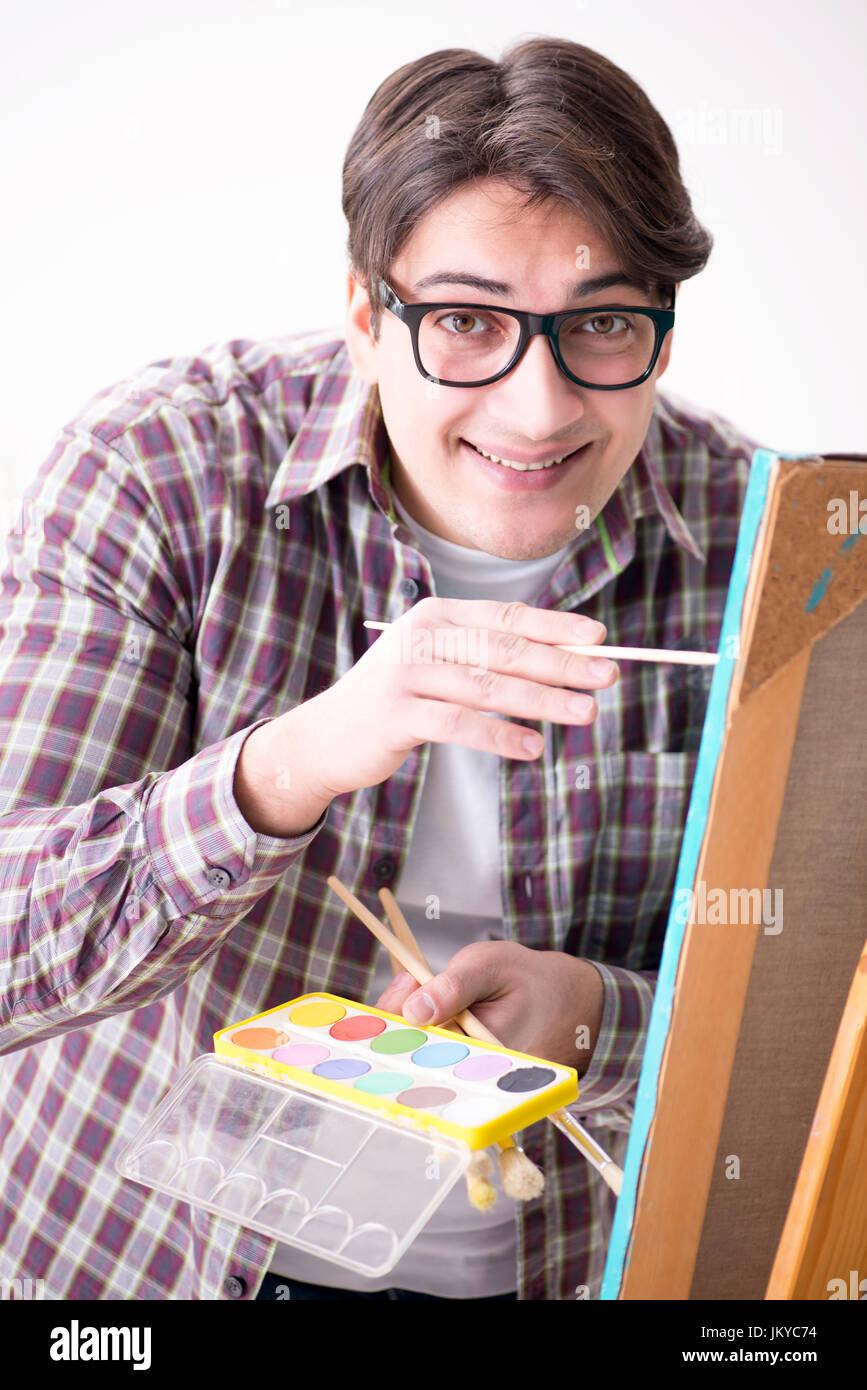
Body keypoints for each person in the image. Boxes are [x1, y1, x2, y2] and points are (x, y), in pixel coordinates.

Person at [0, 36, 766, 1301]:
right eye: (466, 321)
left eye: (604, 323)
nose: (539, 407)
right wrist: (289, 765)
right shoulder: (162, 470)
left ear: (664, 336)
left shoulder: (753, 543)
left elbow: (813, 991)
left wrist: (596, 1016)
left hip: (549, 1271)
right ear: (367, 313)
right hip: (141, 1276)